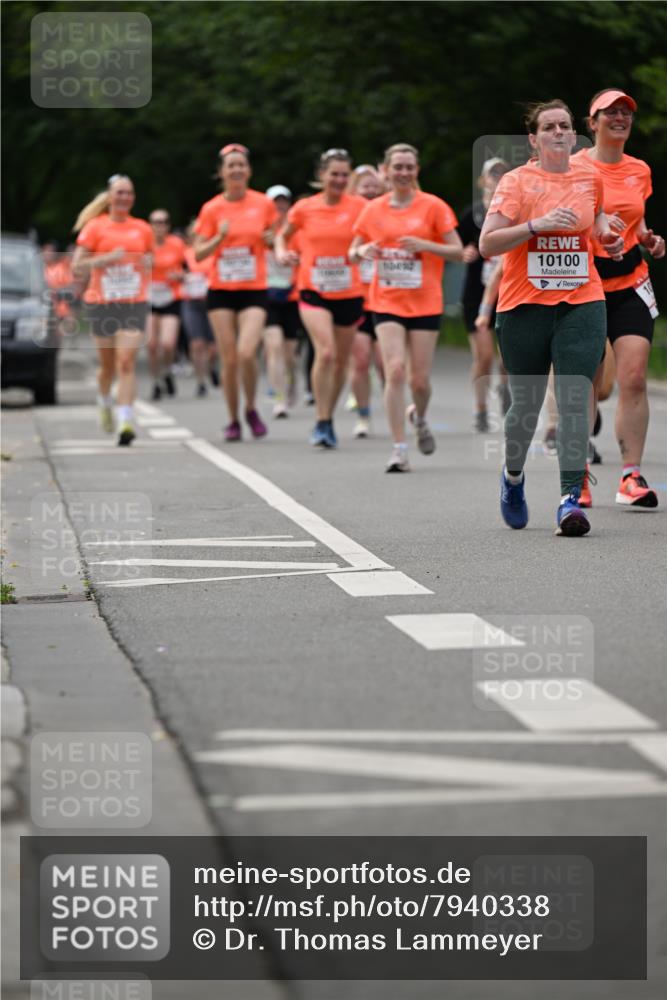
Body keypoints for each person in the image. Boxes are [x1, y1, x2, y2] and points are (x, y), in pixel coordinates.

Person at [479, 99, 624, 536]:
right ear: (533, 139)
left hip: (582, 300)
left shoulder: (589, 177)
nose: (559, 132)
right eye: (549, 127)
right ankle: (513, 477)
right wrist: (535, 225)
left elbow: (596, 220)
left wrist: (607, 237)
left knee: (576, 397)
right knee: (525, 404)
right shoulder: (516, 182)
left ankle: (569, 500)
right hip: (524, 306)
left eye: (564, 125)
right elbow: (488, 244)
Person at [572, 89, 664, 508]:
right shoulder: (573, 168)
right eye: (610, 112)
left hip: (630, 282)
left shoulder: (639, 169)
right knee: (588, 382)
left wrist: (648, 239)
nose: (620, 118)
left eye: (626, 112)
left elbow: (635, 220)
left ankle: (630, 476)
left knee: (634, 377)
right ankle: (577, 477)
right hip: (585, 283)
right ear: (592, 123)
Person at [350, 143, 463, 472]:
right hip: (386, 300)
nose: (403, 172)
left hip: (425, 301)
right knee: (395, 369)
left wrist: (424, 245)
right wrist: (363, 251)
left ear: (417, 171)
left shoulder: (433, 206)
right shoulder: (373, 210)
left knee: (420, 382)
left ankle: (419, 416)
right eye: (397, 167)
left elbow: (458, 251)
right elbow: (352, 251)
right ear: (386, 171)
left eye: (409, 167)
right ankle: (399, 448)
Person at [275, 149, 365, 448]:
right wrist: (281, 252)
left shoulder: (360, 207)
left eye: (344, 175)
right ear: (321, 175)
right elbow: (282, 235)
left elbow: (379, 232)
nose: (339, 179)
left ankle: (328, 416)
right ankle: (321, 420)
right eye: (333, 174)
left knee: (340, 362)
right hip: (313, 289)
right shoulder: (304, 208)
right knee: (325, 352)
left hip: (349, 292)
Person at [194, 143, 278, 441]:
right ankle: (233, 419)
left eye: (241, 164)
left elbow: (276, 240)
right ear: (222, 172)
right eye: (231, 165)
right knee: (229, 359)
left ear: (249, 170)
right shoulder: (212, 209)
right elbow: (199, 253)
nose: (237, 170)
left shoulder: (263, 204)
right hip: (222, 291)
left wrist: (272, 240)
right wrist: (219, 238)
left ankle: (251, 408)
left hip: (254, 289)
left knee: (246, 353)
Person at [72, 174, 153, 445]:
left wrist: (147, 265)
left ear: (133, 198)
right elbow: (77, 266)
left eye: (129, 193)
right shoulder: (95, 227)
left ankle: (125, 420)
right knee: (107, 367)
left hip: (133, 302)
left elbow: (150, 260)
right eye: (119, 192)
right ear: (110, 197)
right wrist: (106, 259)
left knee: (126, 362)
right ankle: (105, 400)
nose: (124, 197)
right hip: (102, 303)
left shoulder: (142, 228)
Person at [458, 158, 511, 430]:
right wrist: (463, 251)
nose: (498, 178)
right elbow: (454, 243)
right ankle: (480, 410)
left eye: (503, 173)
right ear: (483, 181)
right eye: (493, 174)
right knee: (484, 356)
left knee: (508, 358)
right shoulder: (474, 214)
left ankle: (505, 392)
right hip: (476, 294)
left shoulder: (514, 212)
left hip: (509, 293)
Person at [346, 165, 385, 438]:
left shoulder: (390, 212)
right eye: (364, 186)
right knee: (360, 362)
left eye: (374, 185)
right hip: (357, 298)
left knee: (385, 365)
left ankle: (393, 406)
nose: (370, 190)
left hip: (386, 299)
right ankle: (363, 416)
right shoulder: (348, 216)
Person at [263, 185, 302, 418]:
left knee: (289, 354)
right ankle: (279, 398)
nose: (279, 207)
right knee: (274, 347)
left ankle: (291, 383)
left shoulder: (295, 231)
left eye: (283, 202)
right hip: (267, 295)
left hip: (292, 295)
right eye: (275, 203)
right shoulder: (260, 230)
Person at [146, 209, 186, 399]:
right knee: (152, 345)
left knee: (168, 344)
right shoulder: (144, 244)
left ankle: (167, 371)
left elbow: (189, 269)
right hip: (150, 298)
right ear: (150, 225)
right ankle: (156, 382)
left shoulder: (177, 244)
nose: (159, 226)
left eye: (163, 222)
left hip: (171, 297)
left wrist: (179, 276)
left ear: (168, 225)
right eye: (156, 222)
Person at [181, 222, 218, 397]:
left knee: (213, 348)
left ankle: (211, 368)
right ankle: (201, 382)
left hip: (211, 302)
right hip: (191, 303)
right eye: (193, 234)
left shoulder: (213, 251)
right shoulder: (184, 254)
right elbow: (172, 270)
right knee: (197, 344)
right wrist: (182, 276)